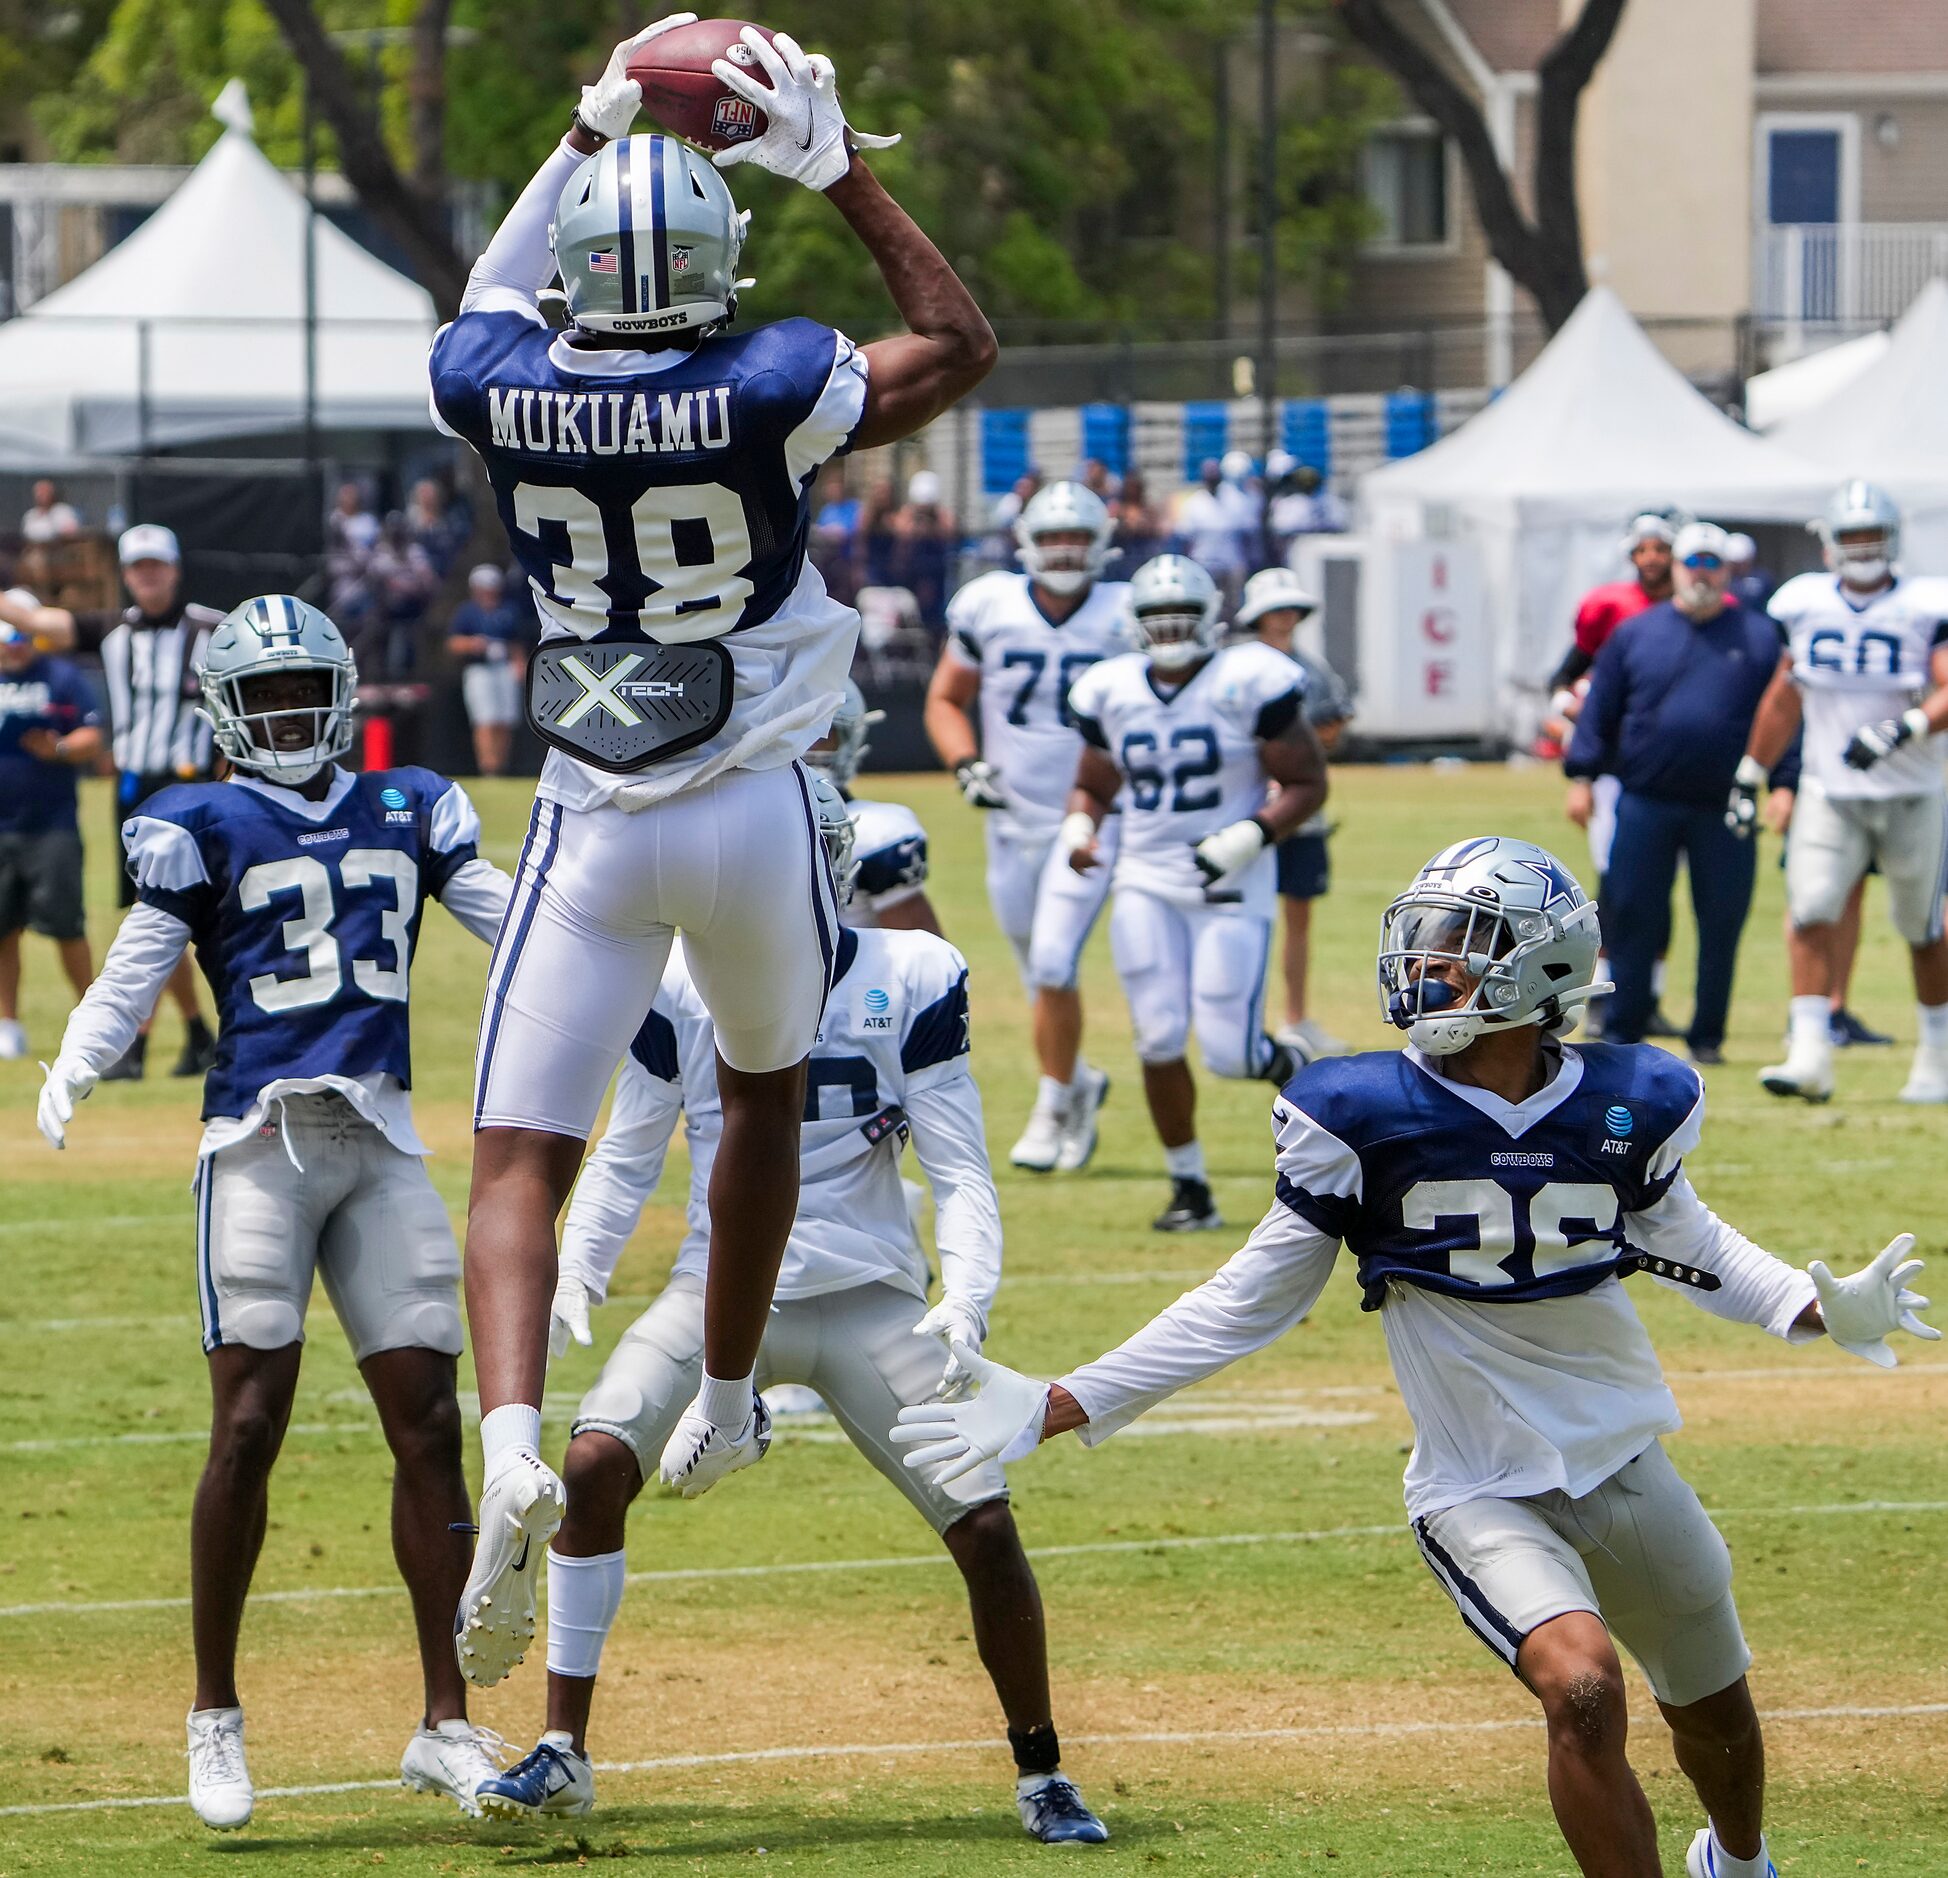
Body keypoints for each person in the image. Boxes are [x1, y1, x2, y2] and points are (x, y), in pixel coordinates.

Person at [893, 835, 1939, 1878]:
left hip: (1625, 1461)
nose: (1425, 964)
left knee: (1718, 1718)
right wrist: (1058, 1402)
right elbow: (1243, 1303)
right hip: (1477, 1486)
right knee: (1581, 1689)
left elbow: (1697, 1248)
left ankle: (1739, 1862)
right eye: (1428, 940)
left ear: (1541, 969)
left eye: (1459, 943)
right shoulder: (1364, 1115)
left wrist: (1819, 1307)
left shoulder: (1626, 1103)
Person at [426, 17, 995, 1686]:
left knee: (519, 1152)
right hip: (754, 807)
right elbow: (954, 339)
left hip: (592, 812)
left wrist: (586, 131)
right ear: (723, 258)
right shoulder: (770, 382)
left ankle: (514, 1432)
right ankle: (735, 1393)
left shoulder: (498, 384)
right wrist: (840, 169)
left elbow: (483, 296)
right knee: (755, 1100)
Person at [475, 784, 1107, 1845]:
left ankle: (1042, 1770)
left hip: (867, 1297)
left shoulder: (910, 975)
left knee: (985, 1522)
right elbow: (629, 1150)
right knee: (589, 1467)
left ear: (835, 863)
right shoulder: (678, 983)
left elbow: (958, 1165)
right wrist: (576, 1268)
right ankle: (561, 1748)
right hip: (718, 1289)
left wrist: (968, 1293)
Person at [33, 597, 517, 1831]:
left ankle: (446, 1722)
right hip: (257, 1149)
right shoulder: (198, 822)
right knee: (246, 1427)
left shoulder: (408, 803)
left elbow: (509, 922)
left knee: (428, 1427)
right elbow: (143, 960)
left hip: (383, 1142)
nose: (292, 714)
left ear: (343, 692)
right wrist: (77, 1060)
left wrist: (630, 973)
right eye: (269, 696)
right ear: (226, 712)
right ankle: (214, 1717)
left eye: (309, 690)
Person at [1059, 554, 1328, 1230]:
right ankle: (1190, 1189)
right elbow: (1094, 782)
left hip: (1229, 882)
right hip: (1145, 878)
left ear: (1211, 619)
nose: (1170, 629)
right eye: (1156, 618)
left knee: (1230, 1053)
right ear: (1134, 624)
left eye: (1182, 616)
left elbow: (1308, 783)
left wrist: (1248, 836)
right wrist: (1079, 825)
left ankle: (1299, 1064)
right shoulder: (1111, 689)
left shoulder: (1249, 680)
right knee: (1155, 1036)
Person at [925, 480, 1129, 1173]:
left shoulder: (1126, 612)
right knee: (1036, 969)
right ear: (1025, 544)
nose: (1066, 550)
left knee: (1051, 962)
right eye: (1053, 537)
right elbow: (947, 699)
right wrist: (966, 764)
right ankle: (1077, 1079)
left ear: (1102, 542)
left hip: (1094, 815)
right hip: (1011, 818)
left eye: (1078, 536)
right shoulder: (990, 605)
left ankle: (1051, 1106)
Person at [1731, 480, 1948, 1105]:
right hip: (1831, 789)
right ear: (1828, 545)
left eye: (1870, 535)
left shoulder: (1922, 605)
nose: (1861, 548)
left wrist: (1902, 729)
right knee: (1809, 911)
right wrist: (1752, 772)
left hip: (1911, 791)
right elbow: (1785, 692)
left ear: (1894, 540)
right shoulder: (1804, 604)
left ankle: (1935, 1057)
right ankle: (1810, 1054)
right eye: (1850, 536)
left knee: (1922, 927)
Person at [0, 522, 220, 1079]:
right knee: (154, 917)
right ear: (125, 575)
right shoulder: (112, 630)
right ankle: (185, 1035)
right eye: (137, 567)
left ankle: (180, 1037)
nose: (148, 576)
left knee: (209, 920)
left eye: (157, 565)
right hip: (136, 790)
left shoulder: (210, 629)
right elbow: (33, 619)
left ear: (174, 569)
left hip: (194, 784)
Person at [1564, 524, 1778, 1066]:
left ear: (1727, 570)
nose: (1701, 572)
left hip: (1727, 803)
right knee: (1632, 914)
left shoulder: (1757, 636)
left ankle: (1708, 1035)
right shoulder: (1635, 634)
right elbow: (1600, 709)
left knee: (1722, 919)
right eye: (1692, 562)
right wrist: (1581, 776)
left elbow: (1782, 716)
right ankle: (1622, 1030)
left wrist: (1788, 783)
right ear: (1676, 568)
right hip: (1646, 798)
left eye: (1712, 562)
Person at [1548, 510, 1682, 1039]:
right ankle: (1605, 989)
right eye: (1643, 549)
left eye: (1661, 548)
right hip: (1615, 767)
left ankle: (1648, 994)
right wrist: (1577, 713)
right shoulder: (1612, 607)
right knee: (1621, 885)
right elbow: (1565, 676)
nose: (1652, 558)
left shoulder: (1698, 610)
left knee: (1662, 888)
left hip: (1672, 767)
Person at [1234, 566, 1353, 1062]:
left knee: (1299, 913)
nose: (1282, 618)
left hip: (1301, 812)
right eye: (1273, 610)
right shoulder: (1234, 670)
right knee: (1245, 916)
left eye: (1289, 609)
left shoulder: (1312, 669)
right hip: (1247, 811)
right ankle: (1244, 1018)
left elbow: (1334, 726)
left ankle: (1295, 1017)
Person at [0, 612, 102, 1058]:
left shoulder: (61, 676)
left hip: (51, 825)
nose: (12, 646)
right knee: (2, 929)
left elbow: (94, 735)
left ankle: (94, 1017)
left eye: (19, 636)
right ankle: (7, 1025)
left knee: (66, 925)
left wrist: (58, 747)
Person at [809, 677, 939, 933]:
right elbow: (927, 959)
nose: (803, 748)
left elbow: (916, 946)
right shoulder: (732, 819)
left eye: (821, 734)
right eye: (791, 736)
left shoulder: (876, 833)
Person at [447, 564, 529, 777]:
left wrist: (520, 664)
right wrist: (474, 644)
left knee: (506, 720)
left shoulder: (508, 610)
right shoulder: (467, 612)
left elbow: (515, 642)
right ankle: (488, 767)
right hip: (480, 669)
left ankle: (501, 766)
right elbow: (453, 643)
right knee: (485, 719)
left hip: (504, 668)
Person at [21, 478, 81, 543]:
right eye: (39, 492)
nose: (42, 495)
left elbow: (71, 533)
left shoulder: (63, 511)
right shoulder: (30, 515)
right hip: (34, 548)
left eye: (45, 491)